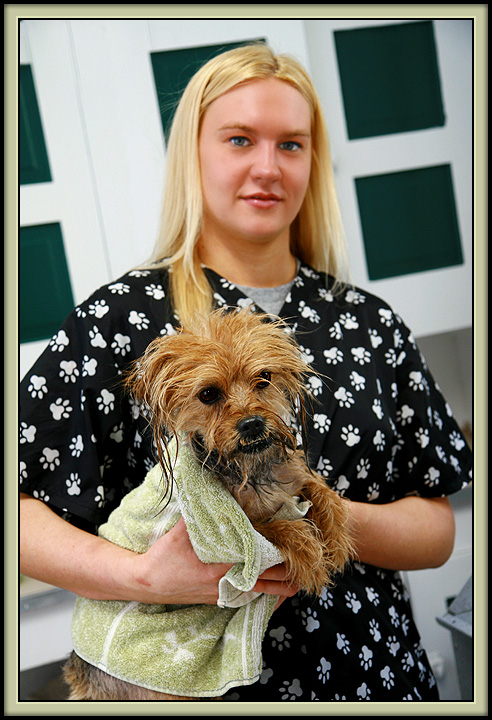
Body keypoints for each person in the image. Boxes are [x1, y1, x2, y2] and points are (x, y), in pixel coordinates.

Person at [19, 43, 471, 701]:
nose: (268, 166)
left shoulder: (368, 321)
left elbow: (436, 530)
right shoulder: (119, 322)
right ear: (193, 155)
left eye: (292, 144)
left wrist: (313, 509)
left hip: (378, 678)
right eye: (239, 139)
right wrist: (146, 576)